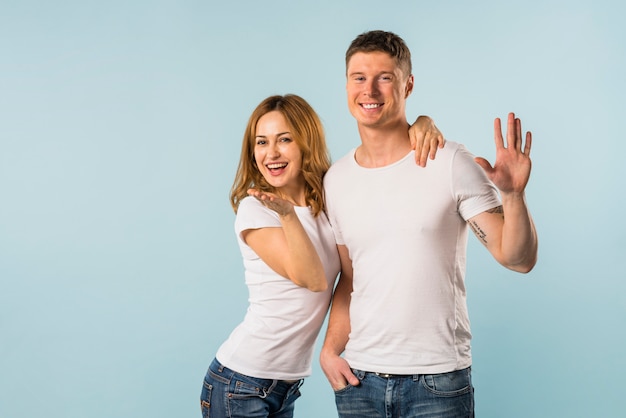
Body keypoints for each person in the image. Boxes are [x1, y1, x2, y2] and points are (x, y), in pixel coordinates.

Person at [320, 30, 538, 418]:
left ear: (408, 84)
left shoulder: (448, 161)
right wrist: (329, 350)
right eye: (358, 77)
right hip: (358, 383)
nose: (369, 89)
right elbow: (350, 278)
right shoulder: (335, 179)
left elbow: (517, 258)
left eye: (384, 77)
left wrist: (514, 196)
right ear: (347, 83)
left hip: (436, 383)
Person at [200, 94, 444, 418]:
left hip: (282, 388)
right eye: (261, 142)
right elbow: (312, 278)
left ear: (305, 142)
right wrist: (287, 215)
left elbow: (356, 258)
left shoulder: (324, 201)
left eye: (284, 139)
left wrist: (421, 124)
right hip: (240, 383)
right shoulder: (256, 210)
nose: (271, 153)